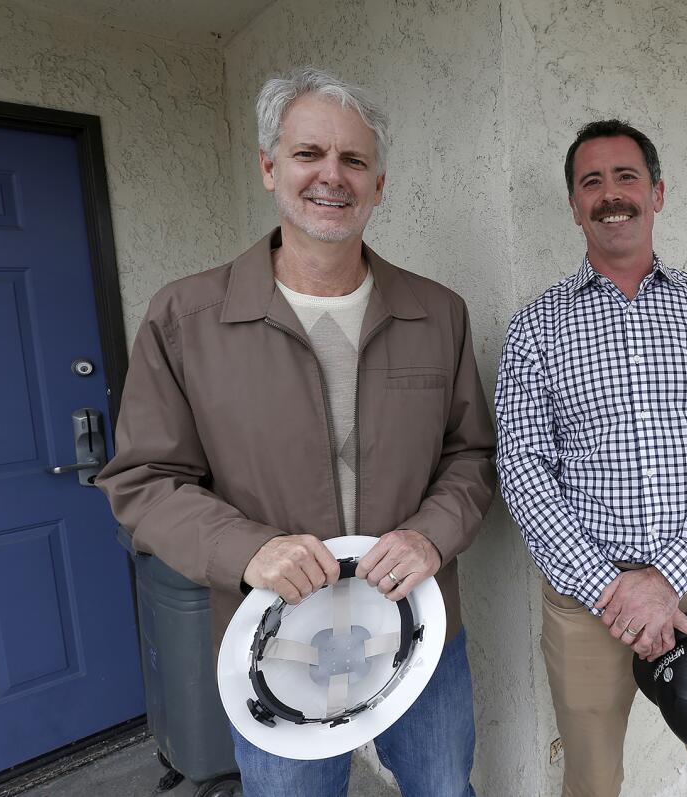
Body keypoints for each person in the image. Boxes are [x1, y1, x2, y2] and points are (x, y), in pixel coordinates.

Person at [97, 66, 495, 797]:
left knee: (444, 787)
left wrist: (430, 534)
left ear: (380, 183)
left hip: (420, 626)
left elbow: (470, 454)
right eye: (310, 153)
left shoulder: (438, 313)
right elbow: (143, 481)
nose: (331, 177)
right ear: (269, 166)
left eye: (355, 160)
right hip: (273, 641)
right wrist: (249, 548)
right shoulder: (186, 318)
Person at [495, 120, 687, 797]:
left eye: (626, 177)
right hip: (585, 596)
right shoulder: (536, 328)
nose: (610, 194)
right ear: (573, 205)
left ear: (657, 192)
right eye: (591, 182)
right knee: (591, 778)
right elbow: (523, 469)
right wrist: (609, 589)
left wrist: (666, 577)